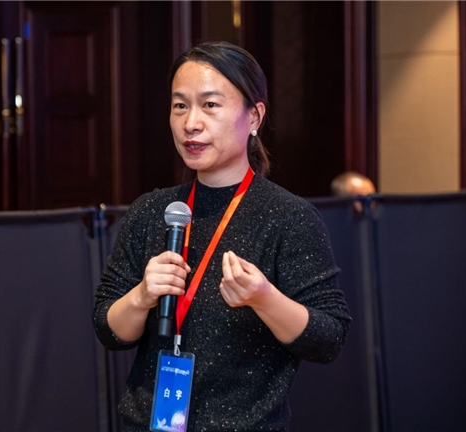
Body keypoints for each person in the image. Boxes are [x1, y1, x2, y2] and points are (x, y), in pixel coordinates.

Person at [93, 41, 351, 432]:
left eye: (210, 105)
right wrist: (142, 296)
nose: (191, 123)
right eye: (180, 106)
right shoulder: (153, 211)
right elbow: (108, 329)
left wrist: (264, 298)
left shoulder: (288, 217)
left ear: (254, 116)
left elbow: (328, 339)